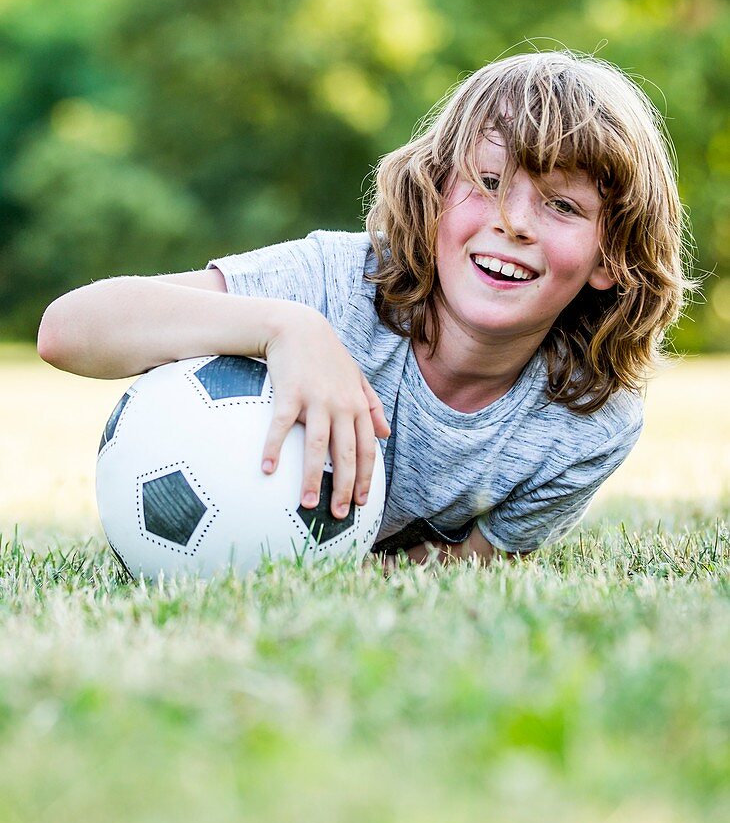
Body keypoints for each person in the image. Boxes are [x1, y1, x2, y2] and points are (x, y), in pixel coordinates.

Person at [37, 50, 692, 567]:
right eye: (488, 183)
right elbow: (68, 331)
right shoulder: (339, 282)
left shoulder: (592, 420)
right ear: (435, 192)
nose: (512, 222)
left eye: (563, 205)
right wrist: (285, 328)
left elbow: (471, 562)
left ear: (612, 256)